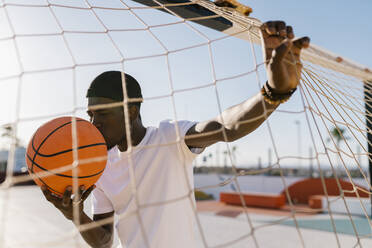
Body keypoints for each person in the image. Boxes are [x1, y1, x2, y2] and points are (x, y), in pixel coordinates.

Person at [41, 20, 310, 248]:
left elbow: (225, 127)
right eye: (90, 114)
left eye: (102, 113)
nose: (93, 122)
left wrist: (273, 93)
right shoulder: (100, 168)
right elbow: (104, 241)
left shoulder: (169, 138)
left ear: (131, 111)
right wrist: (75, 215)